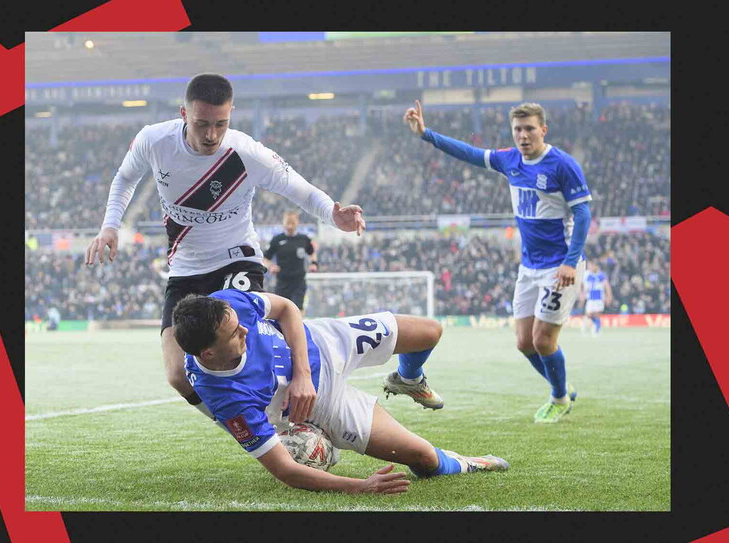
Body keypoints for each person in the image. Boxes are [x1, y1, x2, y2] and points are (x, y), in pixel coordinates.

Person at [84, 74, 367, 425]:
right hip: (185, 270)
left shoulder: (246, 153)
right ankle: (249, 430)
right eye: (202, 123)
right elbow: (125, 177)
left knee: (246, 353)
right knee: (177, 374)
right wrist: (110, 225)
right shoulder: (154, 140)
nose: (211, 135)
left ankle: (302, 416)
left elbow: (301, 190)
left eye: (221, 123)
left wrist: (332, 212)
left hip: (238, 260)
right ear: (183, 113)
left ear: (232, 112)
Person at [171, 289, 508, 494]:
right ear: (208, 354)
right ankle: (469, 463)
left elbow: (287, 309)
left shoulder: (226, 304)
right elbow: (285, 470)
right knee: (424, 459)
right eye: (234, 334)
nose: (245, 328)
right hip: (323, 406)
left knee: (429, 332)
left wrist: (302, 373)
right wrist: (361, 487)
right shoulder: (228, 398)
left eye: (239, 322)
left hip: (324, 341)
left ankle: (408, 379)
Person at [405, 100, 591, 423]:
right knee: (523, 342)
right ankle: (560, 384)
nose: (523, 135)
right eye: (518, 129)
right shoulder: (510, 160)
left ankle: (560, 398)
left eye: (530, 129)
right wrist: (426, 134)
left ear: (543, 130)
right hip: (529, 266)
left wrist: (571, 263)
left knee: (543, 340)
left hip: (560, 265)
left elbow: (584, 214)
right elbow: (470, 153)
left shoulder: (562, 165)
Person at [263, 211, 317, 313]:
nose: (290, 226)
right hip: (282, 281)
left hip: (299, 281)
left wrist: (313, 263)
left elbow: (312, 253)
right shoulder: (277, 240)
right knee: (281, 310)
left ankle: (299, 328)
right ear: (283, 223)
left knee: (298, 309)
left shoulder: (303, 239)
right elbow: (266, 259)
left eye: (292, 223)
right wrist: (271, 266)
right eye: (287, 223)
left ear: (297, 222)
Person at [580, 260, 612, 337]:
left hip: (599, 297)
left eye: (593, 266)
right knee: (589, 314)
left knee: (598, 313)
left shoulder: (601, 275)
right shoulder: (586, 274)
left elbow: (607, 286)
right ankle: (588, 325)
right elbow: (581, 284)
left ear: (596, 266)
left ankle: (596, 330)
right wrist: (582, 294)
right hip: (590, 297)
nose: (591, 267)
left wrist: (609, 296)